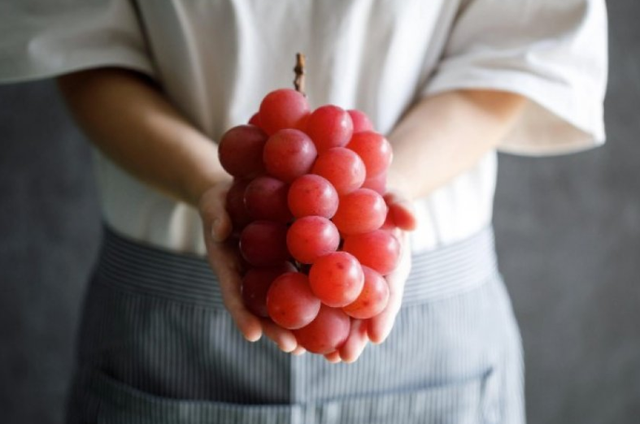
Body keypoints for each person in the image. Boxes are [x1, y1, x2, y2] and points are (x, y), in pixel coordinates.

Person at [0, 0, 607, 423]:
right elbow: (82, 50)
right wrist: (210, 182)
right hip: (169, 316)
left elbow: (519, 53)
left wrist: (386, 189)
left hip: (420, 299)